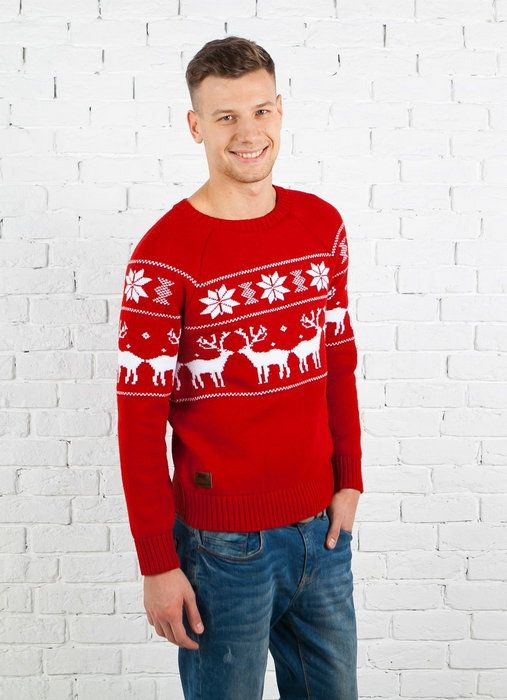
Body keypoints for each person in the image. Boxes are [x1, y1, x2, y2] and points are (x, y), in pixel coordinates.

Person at [116, 35, 363, 700]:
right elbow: (138, 423)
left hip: (322, 531)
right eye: (225, 116)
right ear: (195, 125)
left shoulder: (321, 226)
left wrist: (349, 479)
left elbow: (337, 358)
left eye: (260, 111)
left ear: (280, 110)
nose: (248, 133)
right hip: (222, 549)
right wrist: (157, 563)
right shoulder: (162, 257)